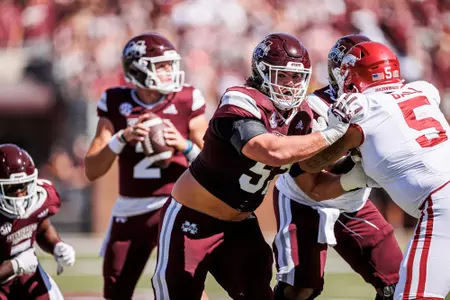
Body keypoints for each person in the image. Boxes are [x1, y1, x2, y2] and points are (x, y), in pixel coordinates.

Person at [151, 33, 369, 300]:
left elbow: (312, 186)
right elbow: (267, 150)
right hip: (192, 217)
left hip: (240, 226)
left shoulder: (303, 116)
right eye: (282, 76)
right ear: (262, 73)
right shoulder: (240, 100)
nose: (291, 84)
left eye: (297, 77)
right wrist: (331, 134)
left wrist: (356, 177)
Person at [300, 41, 450, 300]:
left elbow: (310, 164)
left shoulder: (363, 109)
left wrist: (336, 132)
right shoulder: (423, 90)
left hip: (442, 203)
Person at [272, 35, 403, 300]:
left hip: (353, 201)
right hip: (304, 199)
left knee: (397, 283)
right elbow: (304, 175)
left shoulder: (384, 102)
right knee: (300, 288)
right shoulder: (314, 106)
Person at [84, 33, 208, 300]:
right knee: (116, 290)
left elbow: (215, 161)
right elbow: (92, 169)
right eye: (161, 65)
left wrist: (185, 146)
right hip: (131, 207)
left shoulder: (186, 98)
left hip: (176, 204)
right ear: (138, 68)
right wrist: (121, 138)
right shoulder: (115, 102)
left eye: (170, 64)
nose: (170, 71)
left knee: (187, 288)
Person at [0, 144, 75, 299]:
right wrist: (15, 265)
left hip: (26, 270)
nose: (20, 195)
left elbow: (40, 226)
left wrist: (56, 246)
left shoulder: (41, 197)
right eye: (11, 188)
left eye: (24, 186)